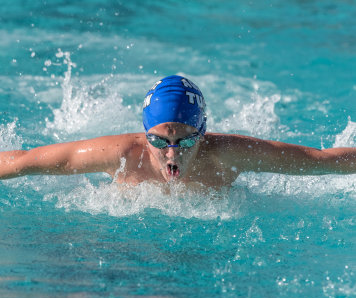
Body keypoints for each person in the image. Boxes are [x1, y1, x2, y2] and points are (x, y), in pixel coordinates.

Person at [1, 75, 356, 189]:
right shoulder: (122, 154)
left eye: (184, 140)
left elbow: (319, 161)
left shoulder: (227, 153)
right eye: (160, 141)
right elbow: (22, 163)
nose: (172, 153)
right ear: (145, 135)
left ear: (203, 134)